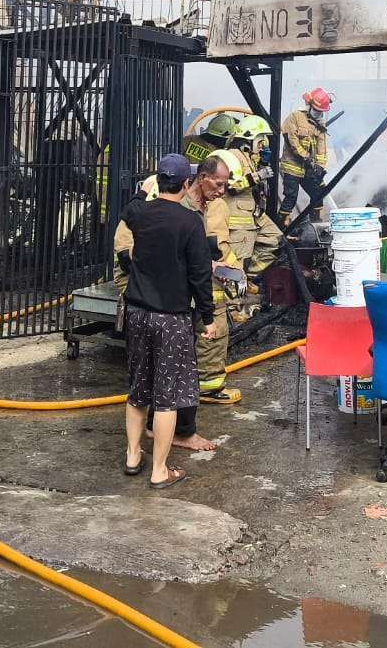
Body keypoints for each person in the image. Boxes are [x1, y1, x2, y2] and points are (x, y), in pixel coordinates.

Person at [119, 154, 218, 489]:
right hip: (171, 318)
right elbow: (201, 275)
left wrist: (142, 188)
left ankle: (133, 455)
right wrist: (208, 317)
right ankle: (159, 470)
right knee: (166, 397)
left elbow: (129, 207)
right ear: (187, 184)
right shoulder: (190, 223)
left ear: (158, 182)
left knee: (137, 390)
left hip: (136, 313)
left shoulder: (140, 213)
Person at [191, 151, 244, 403]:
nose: (222, 190)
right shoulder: (213, 207)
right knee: (213, 329)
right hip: (206, 284)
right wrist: (236, 272)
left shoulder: (190, 202)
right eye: (219, 184)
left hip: (192, 283)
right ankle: (208, 387)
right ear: (203, 177)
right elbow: (218, 245)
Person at [222, 115, 282, 283]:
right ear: (249, 137)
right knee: (236, 261)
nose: (263, 143)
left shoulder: (247, 157)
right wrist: (257, 176)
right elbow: (231, 186)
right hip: (238, 220)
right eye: (260, 138)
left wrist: (261, 165)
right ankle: (233, 300)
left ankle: (246, 279)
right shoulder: (232, 156)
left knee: (274, 240)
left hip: (253, 215)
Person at [279, 88, 333, 218]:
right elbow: (292, 141)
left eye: (321, 112)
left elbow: (321, 147)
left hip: (309, 168)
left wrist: (320, 166)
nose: (319, 114)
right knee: (291, 197)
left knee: (318, 194)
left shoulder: (320, 124)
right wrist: (306, 157)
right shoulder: (295, 117)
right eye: (316, 110)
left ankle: (314, 223)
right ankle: (282, 226)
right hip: (292, 167)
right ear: (308, 105)